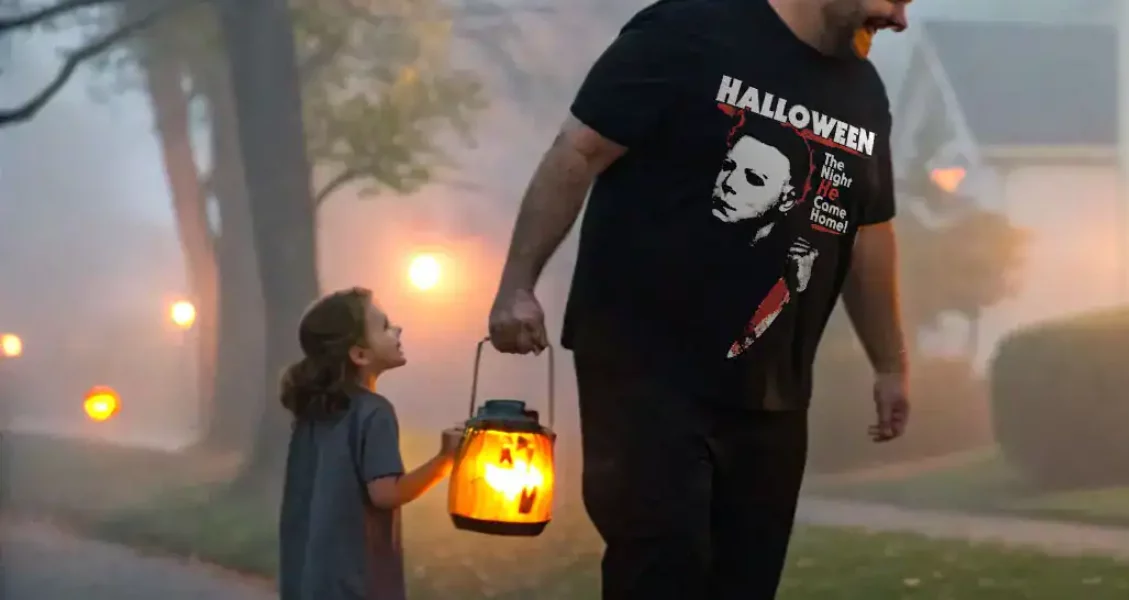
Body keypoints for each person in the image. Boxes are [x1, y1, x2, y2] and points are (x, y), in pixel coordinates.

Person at [482, 1, 913, 598]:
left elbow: (868, 232)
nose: (898, 19)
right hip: (645, 368)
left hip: (773, 389)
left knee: (745, 581)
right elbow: (577, 151)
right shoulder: (688, 29)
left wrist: (890, 361)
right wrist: (517, 284)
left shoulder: (863, 92)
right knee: (663, 569)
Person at [277, 287, 463, 600]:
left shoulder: (315, 412)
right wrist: (445, 460)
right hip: (355, 585)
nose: (397, 329)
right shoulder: (374, 411)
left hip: (307, 581)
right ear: (360, 354)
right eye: (385, 326)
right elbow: (386, 493)